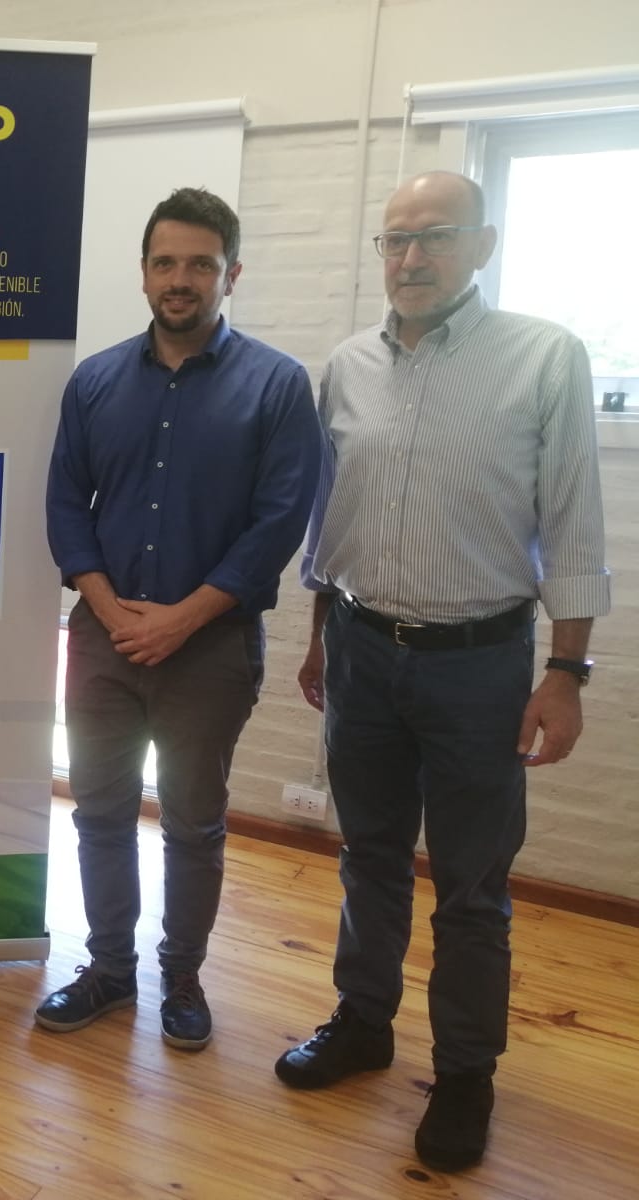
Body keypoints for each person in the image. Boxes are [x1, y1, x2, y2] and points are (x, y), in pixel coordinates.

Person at [278, 171, 609, 1172]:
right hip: (361, 650)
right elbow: (329, 517)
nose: (412, 258)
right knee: (368, 856)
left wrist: (566, 671)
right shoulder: (346, 367)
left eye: (436, 236)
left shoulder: (543, 357)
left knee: (471, 885)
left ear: (483, 244)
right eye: (395, 240)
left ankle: (465, 1073)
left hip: (481, 667)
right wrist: (318, 635)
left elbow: (574, 524)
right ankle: (363, 1021)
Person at [40, 188, 321, 1049]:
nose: (181, 279)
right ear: (143, 273)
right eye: (166, 262)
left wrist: (180, 620)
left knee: (194, 824)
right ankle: (109, 970)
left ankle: (184, 978)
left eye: (201, 263)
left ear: (231, 274)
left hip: (212, 648)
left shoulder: (277, 385)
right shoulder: (95, 382)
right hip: (103, 642)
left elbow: (279, 522)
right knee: (99, 814)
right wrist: (107, 607)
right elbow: (66, 505)